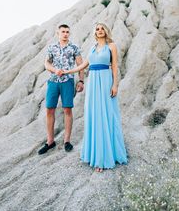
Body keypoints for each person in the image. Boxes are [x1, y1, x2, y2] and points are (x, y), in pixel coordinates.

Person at [61, 22, 127, 172]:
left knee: (106, 116)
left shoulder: (112, 46)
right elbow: (83, 65)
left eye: (102, 28)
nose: (100, 31)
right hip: (93, 85)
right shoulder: (92, 48)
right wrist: (67, 72)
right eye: (97, 29)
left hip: (105, 82)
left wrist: (115, 85)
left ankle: (104, 158)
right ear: (95, 33)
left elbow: (115, 66)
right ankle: (94, 154)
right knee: (94, 116)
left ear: (106, 30)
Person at [38, 24, 84, 155]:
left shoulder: (74, 47)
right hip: (53, 81)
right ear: (58, 33)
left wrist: (81, 81)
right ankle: (50, 141)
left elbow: (80, 65)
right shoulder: (52, 47)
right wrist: (55, 70)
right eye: (63, 31)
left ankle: (67, 141)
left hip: (68, 81)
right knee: (49, 110)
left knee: (67, 109)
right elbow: (46, 64)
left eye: (67, 32)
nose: (65, 34)